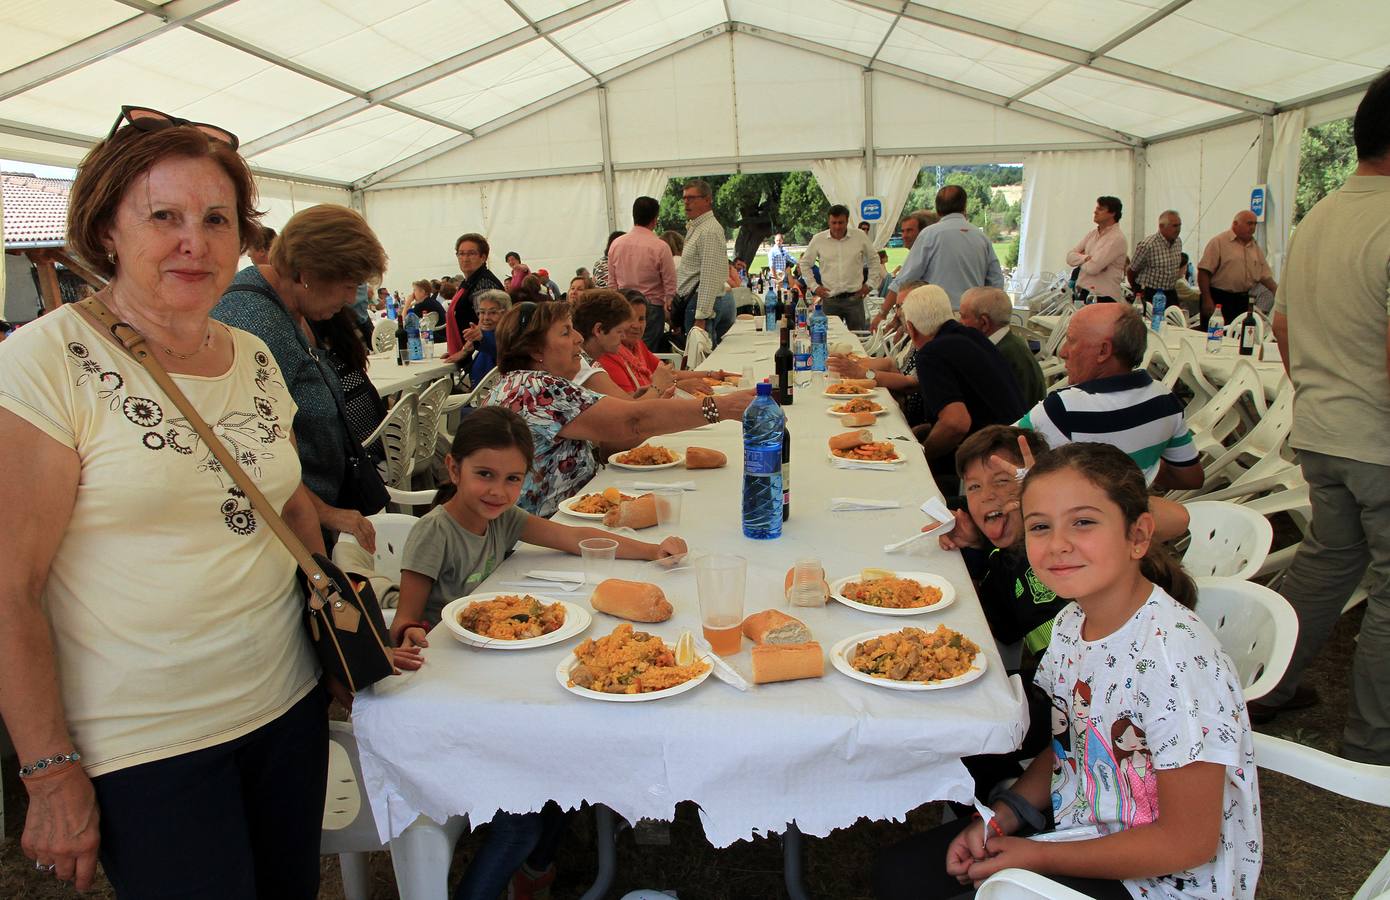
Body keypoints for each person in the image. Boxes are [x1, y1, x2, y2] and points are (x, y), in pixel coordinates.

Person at [0, 106, 344, 897]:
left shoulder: (253, 354)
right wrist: (50, 776)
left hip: (285, 704)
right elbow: (11, 587)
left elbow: (287, 501)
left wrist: (336, 626)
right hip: (148, 743)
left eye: (217, 218)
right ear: (106, 229)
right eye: (164, 216)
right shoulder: (45, 364)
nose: (196, 240)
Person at [875, 442, 1260, 900]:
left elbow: (1187, 842)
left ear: (1138, 536)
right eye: (1040, 526)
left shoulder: (1175, 662)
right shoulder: (1071, 623)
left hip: (1165, 883)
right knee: (897, 874)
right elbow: (1071, 743)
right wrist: (1003, 816)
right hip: (1081, 826)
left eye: (1083, 522)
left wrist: (1034, 856)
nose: (1057, 544)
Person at [388, 406, 684, 898]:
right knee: (522, 818)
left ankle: (535, 870)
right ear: (452, 468)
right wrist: (408, 633)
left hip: (503, 672)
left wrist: (652, 552)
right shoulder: (433, 533)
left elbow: (574, 538)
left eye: (512, 479)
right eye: (484, 475)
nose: (498, 491)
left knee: (564, 771)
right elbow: (406, 619)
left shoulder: (504, 519)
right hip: (452, 691)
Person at [1260, 73, 1390, 761]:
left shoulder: (1321, 217)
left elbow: (1282, 326)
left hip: (1322, 427)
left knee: (1328, 562)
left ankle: (1268, 686)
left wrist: (1319, 389)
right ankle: (1376, 740)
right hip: (1378, 438)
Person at [214, 203, 386, 551]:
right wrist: (323, 512)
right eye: (347, 285)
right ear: (306, 272)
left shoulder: (289, 306)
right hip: (282, 532)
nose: (352, 299)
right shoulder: (252, 322)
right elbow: (246, 448)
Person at [486, 300, 753, 516]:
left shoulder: (516, 384)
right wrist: (723, 407)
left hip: (564, 512)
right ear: (535, 350)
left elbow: (615, 440)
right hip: (544, 527)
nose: (579, 338)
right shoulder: (538, 387)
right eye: (566, 332)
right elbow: (632, 421)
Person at [1018, 303, 1203, 491]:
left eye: (1071, 341)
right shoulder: (1165, 400)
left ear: (1103, 351)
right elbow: (1190, 478)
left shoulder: (1063, 409)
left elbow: (993, 454)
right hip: (1127, 512)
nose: (1063, 352)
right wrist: (1138, 464)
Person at [901, 285, 1025, 494]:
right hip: (1016, 451)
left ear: (911, 328)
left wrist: (922, 455)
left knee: (902, 483)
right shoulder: (972, 336)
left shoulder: (931, 354)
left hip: (988, 466)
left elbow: (955, 424)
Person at [894, 186, 1004, 310]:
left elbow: (905, 279)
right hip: (972, 314)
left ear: (938, 209)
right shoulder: (982, 237)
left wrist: (883, 312)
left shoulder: (929, 234)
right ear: (964, 206)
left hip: (938, 313)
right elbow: (996, 282)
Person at [797, 203, 885, 330]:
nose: (837, 226)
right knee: (830, 339)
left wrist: (870, 284)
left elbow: (874, 260)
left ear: (847, 221)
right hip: (830, 299)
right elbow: (805, 264)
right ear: (828, 221)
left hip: (854, 299)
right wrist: (814, 287)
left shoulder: (859, 236)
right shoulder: (818, 239)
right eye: (834, 223)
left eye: (841, 222)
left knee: (858, 339)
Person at [608, 195, 677, 352]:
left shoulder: (616, 244)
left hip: (623, 304)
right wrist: (669, 303)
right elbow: (670, 283)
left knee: (623, 349)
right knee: (647, 351)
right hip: (651, 306)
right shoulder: (660, 246)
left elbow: (612, 282)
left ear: (634, 216)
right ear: (655, 219)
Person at [959, 286, 1045, 405]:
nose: (959, 323)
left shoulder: (1002, 356)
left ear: (984, 323)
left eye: (963, 316)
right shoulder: (1007, 344)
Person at [675, 179, 736, 344]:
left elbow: (709, 276)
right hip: (701, 302)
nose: (686, 203)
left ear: (707, 200)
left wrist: (701, 316)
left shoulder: (708, 230)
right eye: (685, 198)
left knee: (702, 358)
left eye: (692, 198)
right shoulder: (699, 227)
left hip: (702, 304)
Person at [1197, 210, 1278, 326]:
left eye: (1255, 224)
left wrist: (1277, 292)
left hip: (1242, 300)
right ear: (1235, 224)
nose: (1253, 227)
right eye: (1249, 223)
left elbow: (1265, 276)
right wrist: (1206, 299)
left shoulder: (1254, 247)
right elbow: (1204, 271)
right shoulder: (1219, 242)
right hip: (1219, 298)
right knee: (1214, 335)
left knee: (1237, 337)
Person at [571, 290, 646, 399]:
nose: (623, 337)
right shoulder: (585, 367)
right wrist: (658, 386)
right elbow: (632, 411)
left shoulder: (584, 359)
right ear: (599, 330)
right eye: (619, 331)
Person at [872, 209, 939, 328]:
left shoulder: (921, 251)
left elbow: (901, 282)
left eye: (909, 231)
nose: (904, 236)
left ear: (923, 232)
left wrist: (882, 314)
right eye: (902, 231)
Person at [446, 233, 505, 357]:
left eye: (471, 253)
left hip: (484, 356)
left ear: (483, 257)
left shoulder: (484, 283)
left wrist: (464, 351)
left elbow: (487, 324)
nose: (465, 258)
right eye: (461, 253)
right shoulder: (468, 282)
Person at [1066, 196, 1128, 303]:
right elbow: (1069, 257)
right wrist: (1086, 258)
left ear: (1112, 213)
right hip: (1082, 293)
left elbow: (1093, 268)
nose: (1095, 211)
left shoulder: (1116, 238)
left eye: (1100, 209)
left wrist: (1080, 260)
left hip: (1103, 297)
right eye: (1096, 208)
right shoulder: (1092, 234)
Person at [1127, 210, 1183, 310]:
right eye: (1174, 226)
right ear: (1161, 226)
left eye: (1179, 225)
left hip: (1170, 293)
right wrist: (1137, 291)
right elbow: (1131, 271)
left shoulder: (1178, 242)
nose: (1178, 229)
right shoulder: (1148, 245)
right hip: (1150, 293)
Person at [456, 289, 509, 387]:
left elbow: (500, 351)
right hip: (477, 392)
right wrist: (464, 351)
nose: (486, 317)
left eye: (492, 312)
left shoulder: (509, 335)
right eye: (482, 312)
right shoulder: (486, 334)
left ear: (506, 313)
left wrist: (481, 338)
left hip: (491, 397)